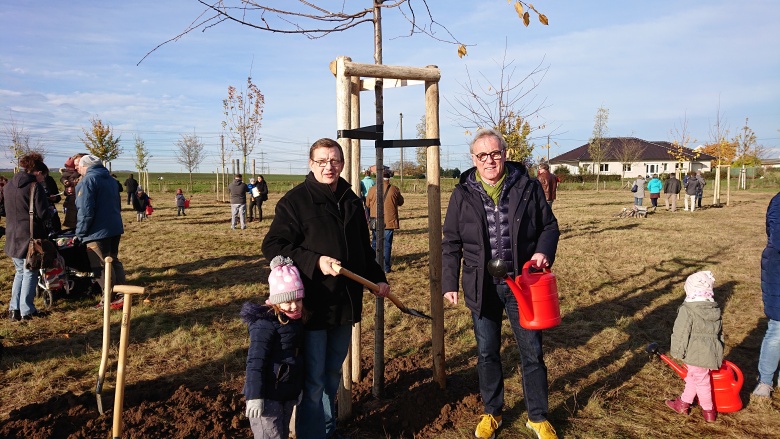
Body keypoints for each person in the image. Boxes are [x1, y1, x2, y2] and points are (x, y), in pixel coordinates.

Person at [261, 137, 389, 439]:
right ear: (311, 164)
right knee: (314, 380)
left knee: (332, 376)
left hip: (345, 305)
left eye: (334, 161)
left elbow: (363, 250)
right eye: (321, 161)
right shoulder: (295, 202)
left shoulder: (352, 200)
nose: (328, 166)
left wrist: (378, 277)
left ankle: (328, 431)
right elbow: (274, 245)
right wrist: (315, 262)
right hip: (313, 306)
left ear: (342, 164)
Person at [442, 129, 560, 439]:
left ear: (505, 155)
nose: (490, 160)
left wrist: (542, 252)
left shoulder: (528, 187)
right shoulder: (462, 193)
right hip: (481, 286)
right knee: (486, 353)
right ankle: (491, 412)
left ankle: (537, 416)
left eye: (495, 154)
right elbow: (451, 242)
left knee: (532, 352)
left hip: (523, 285)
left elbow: (549, 226)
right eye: (482, 155)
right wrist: (448, 282)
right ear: (473, 159)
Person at [242, 255, 306, 439]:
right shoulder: (264, 325)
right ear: (276, 301)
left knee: (282, 433)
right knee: (270, 435)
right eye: (288, 301)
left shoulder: (295, 321)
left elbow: (295, 358)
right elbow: (255, 361)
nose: (294, 306)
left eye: (298, 299)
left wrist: (297, 389)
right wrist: (254, 396)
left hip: (286, 392)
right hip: (267, 395)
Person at [665, 271, 723, 422]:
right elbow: (720, 333)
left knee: (702, 382)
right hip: (710, 352)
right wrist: (719, 351)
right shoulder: (714, 309)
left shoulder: (688, 309)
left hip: (695, 353)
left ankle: (708, 411)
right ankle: (683, 403)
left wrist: (677, 351)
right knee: (694, 377)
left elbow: (681, 331)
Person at [5, 153, 52, 321]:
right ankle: (27, 310)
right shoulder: (34, 186)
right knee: (30, 272)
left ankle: (14, 309)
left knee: (20, 272)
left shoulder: (9, 185)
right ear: (38, 172)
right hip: (29, 236)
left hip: (12, 234)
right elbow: (43, 213)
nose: (43, 179)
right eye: (43, 176)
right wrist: (51, 209)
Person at [75, 154, 126, 307]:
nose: (78, 169)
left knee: (101, 265)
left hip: (96, 231)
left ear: (86, 166)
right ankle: (123, 293)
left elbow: (85, 210)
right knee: (113, 260)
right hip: (114, 227)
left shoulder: (88, 181)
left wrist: (80, 232)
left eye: (79, 167)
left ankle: (108, 299)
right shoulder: (111, 180)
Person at [753, 192, 780, 398]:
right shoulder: (778, 202)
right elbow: (776, 234)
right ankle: (765, 381)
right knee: (778, 329)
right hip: (777, 271)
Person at [366, 169, 404, 273]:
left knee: (374, 243)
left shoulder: (372, 189)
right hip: (389, 220)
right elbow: (401, 202)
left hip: (376, 220)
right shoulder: (394, 189)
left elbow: (367, 204)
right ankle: (386, 268)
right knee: (387, 244)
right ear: (390, 177)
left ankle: (373, 266)